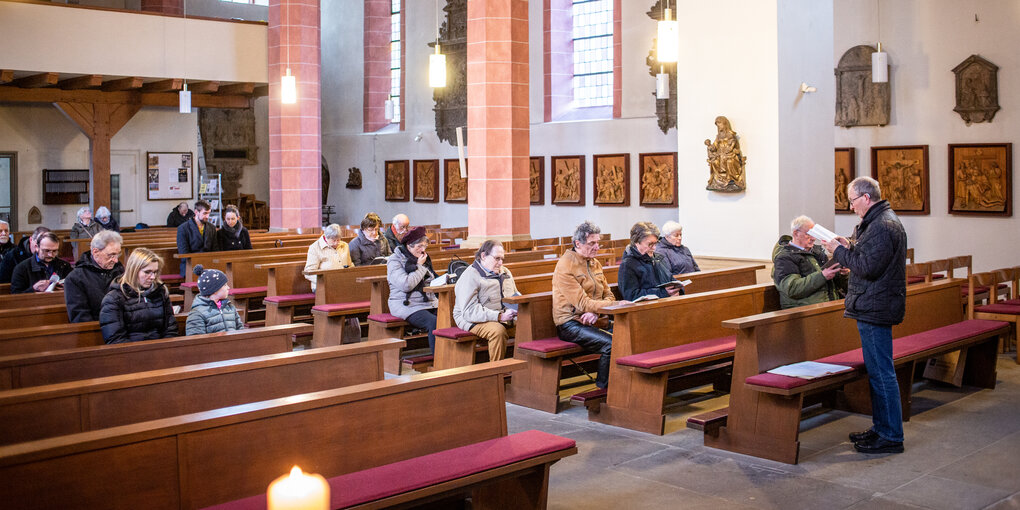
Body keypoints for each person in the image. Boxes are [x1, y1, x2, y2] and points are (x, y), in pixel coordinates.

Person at [822, 176, 907, 455]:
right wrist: (846, 243)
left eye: (852, 201)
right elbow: (866, 255)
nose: (851, 207)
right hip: (873, 303)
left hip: (875, 306)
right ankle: (882, 428)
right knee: (878, 372)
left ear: (866, 198)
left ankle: (891, 435)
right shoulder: (879, 221)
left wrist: (839, 251)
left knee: (882, 373)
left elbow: (867, 266)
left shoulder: (883, 225)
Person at [552, 221, 627, 389]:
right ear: (578, 244)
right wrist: (614, 305)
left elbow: (608, 294)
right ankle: (603, 391)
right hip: (570, 323)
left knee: (629, 337)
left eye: (598, 242)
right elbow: (582, 303)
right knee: (612, 344)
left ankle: (623, 387)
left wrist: (595, 313)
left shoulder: (594, 263)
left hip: (595, 319)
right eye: (592, 243)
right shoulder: (565, 266)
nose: (597, 247)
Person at [453, 240, 519, 361]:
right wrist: (499, 316)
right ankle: (496, 373)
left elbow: (515, 296)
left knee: (527, 326)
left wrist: (518, 309)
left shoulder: (505, 272)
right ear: (483, 256)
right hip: (470, 319)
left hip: (500, 315)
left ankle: (522, 369)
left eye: (502, 259)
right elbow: (469, 311)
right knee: (498, 331)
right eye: (497, 258)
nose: (501, 263)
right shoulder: (470, 276)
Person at [99, 247, 179, 344]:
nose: (153, 277)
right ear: (134, 270)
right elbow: (115, 339)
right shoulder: (114, 298)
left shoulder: (160, 292)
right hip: (130, 354)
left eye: (155, 272)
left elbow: (170, 329)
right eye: (147, 272)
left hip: (160, 352)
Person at [772, 215, 847, 309]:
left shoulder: (818, 253)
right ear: (796, 233)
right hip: (803, 311)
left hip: (827, 305)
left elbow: (835, 284)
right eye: (809, 234)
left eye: (814, 234)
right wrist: (822, 276)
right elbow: (792, 288)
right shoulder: (784, 257)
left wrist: (842, 273)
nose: (813, 238)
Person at [387, 227, 439, 353]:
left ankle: (452, 359)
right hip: (406, 304)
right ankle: (438, 361)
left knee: (450, 316)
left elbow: (431, 278)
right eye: (419, 246)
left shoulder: (422, 257)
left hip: (427, 302)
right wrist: (420, 267)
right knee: (434, 322)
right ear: (408, 246)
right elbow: (406, 285)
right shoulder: (395, 260)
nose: (422, 250)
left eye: (424, 246)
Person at [64, 230, 125, 322]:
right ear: (95, 252)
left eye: (117, 254)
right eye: (111, 255)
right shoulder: (75, 278)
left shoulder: (120, 271)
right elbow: (80, 316)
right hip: (95, 330)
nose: (116, 260)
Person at [618, 222, 683, 302]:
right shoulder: (628, 265)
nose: (654, 248)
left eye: (656, 243)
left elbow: (670, 280)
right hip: (645, 311)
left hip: (665, 305)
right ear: (637, 242)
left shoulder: (658, 258)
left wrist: (677, 290)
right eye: (650, 244)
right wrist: (664, 293)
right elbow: (631, 296)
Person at [186, 265, 243, 335]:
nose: (228, 287)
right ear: (214, 289)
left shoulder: (229, 307)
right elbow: (196, 341)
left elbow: (240, 330)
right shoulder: (197, 313)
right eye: (225, 285)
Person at [303, 224, 353, 291]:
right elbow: (308, 272)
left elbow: (350, 265)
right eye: (333, 240)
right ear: (326, 237)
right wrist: (327, 280)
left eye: (338, 240)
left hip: (343, 283)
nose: (336, 243)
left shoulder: (344, 245)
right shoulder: (314, 248)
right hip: (323, 286)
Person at [176, 200, 216, 276]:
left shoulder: (212, 228)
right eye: (205, 213)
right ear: (196, 212)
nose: (207, 216)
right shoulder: (183, 228)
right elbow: (184, 254)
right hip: (190, 267)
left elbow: (215, 250)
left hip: (209, 265)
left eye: (209, 213)